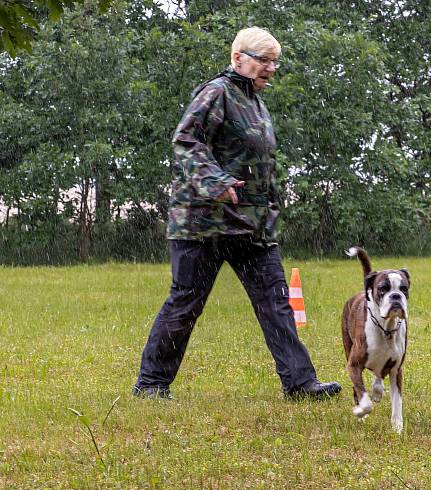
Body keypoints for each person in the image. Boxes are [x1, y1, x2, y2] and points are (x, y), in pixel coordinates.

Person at [132, 27, 341, 400]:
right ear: (238, 58)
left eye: (274, 62)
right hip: (202, 225)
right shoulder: (217, 93)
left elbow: (258, 165)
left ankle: (300, 383)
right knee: (185, 303)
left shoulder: (256, 102)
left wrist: (270, 210)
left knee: (276, 303)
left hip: (251, 227)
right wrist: (214, 181)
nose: (270, 68)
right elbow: (185, 140)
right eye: (263, 60)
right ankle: (151, 384)